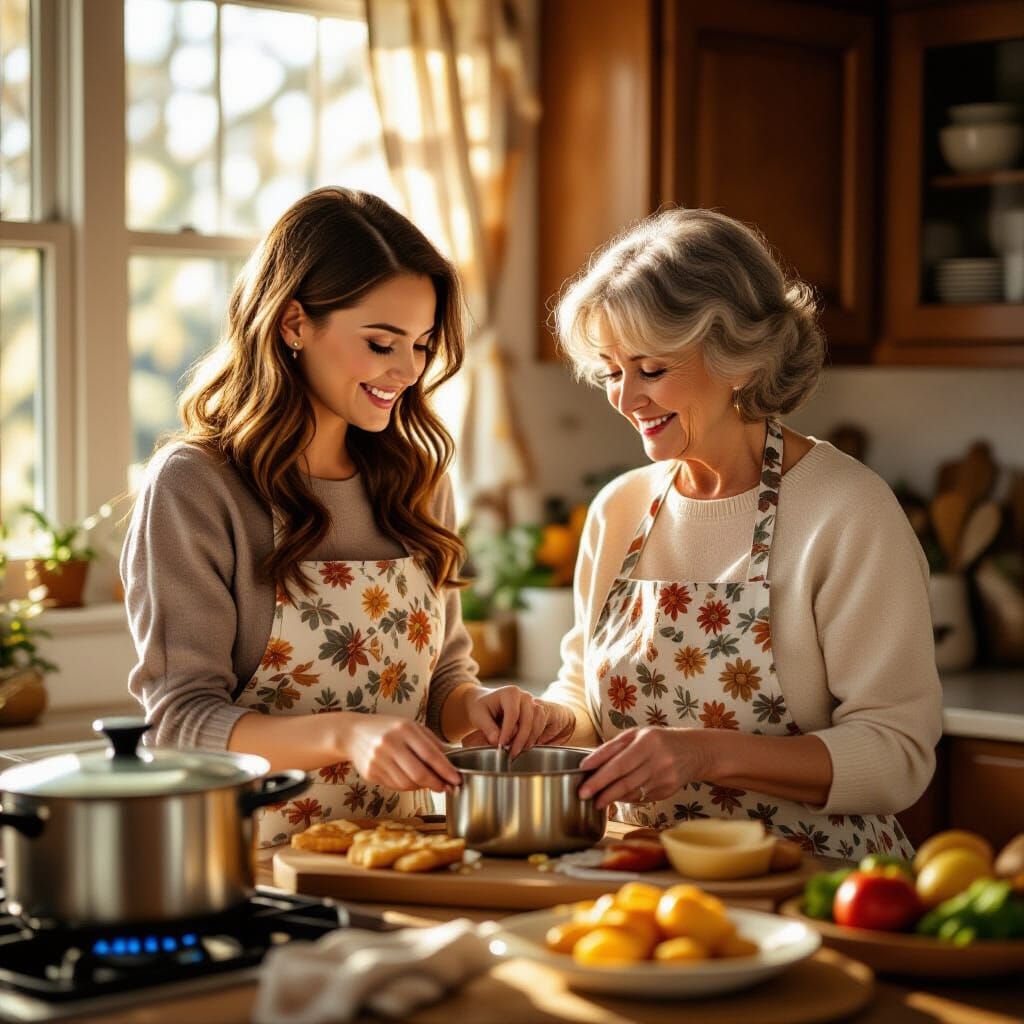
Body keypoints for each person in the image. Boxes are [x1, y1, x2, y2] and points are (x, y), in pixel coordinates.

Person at [122, 187, 570, 846]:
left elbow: (441, 679)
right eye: (381, 343)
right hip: (248, 864)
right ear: (294, 323)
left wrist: (479, 708)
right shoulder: (198, 486)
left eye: (419, 345)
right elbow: (180, 724)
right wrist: (346, 733)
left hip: (404, 853)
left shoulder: (417, 481)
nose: (406, 372)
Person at [542, 208, 942, 859]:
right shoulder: (620, 509)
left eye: (650, 368)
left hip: (809, 878)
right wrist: (549, 720)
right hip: (638, 871)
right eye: (612, 372)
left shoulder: (848, 512)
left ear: (740, 359)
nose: (624, 399)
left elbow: (897, 755)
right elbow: (584, 696)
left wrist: (704, 754)